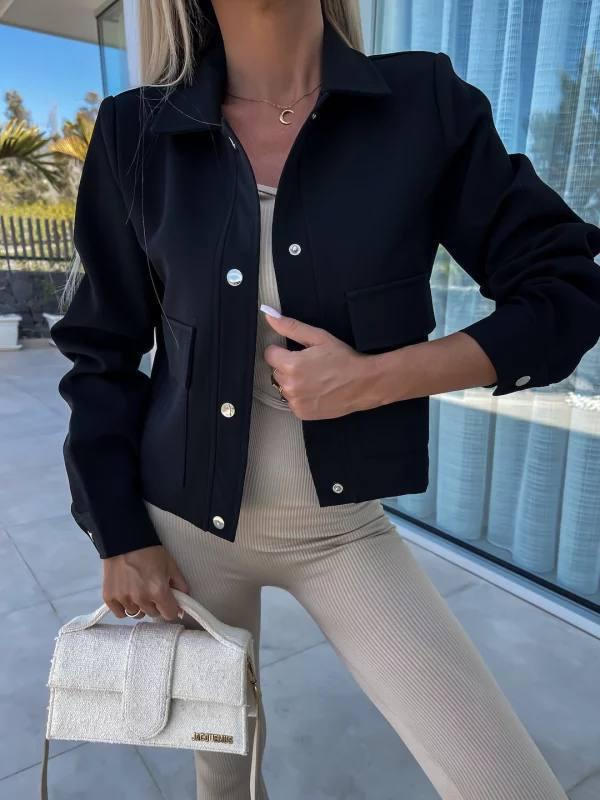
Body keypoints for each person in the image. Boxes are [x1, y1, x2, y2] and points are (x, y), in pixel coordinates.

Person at [51, 1, 600, 798]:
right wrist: (118, 532)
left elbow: (567, 292)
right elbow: (101, 353)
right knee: (224, 778)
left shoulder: (422, 106)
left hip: (342, 533)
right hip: (182, 533)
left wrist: (377, 377)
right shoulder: (136, 131)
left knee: (507, 783)